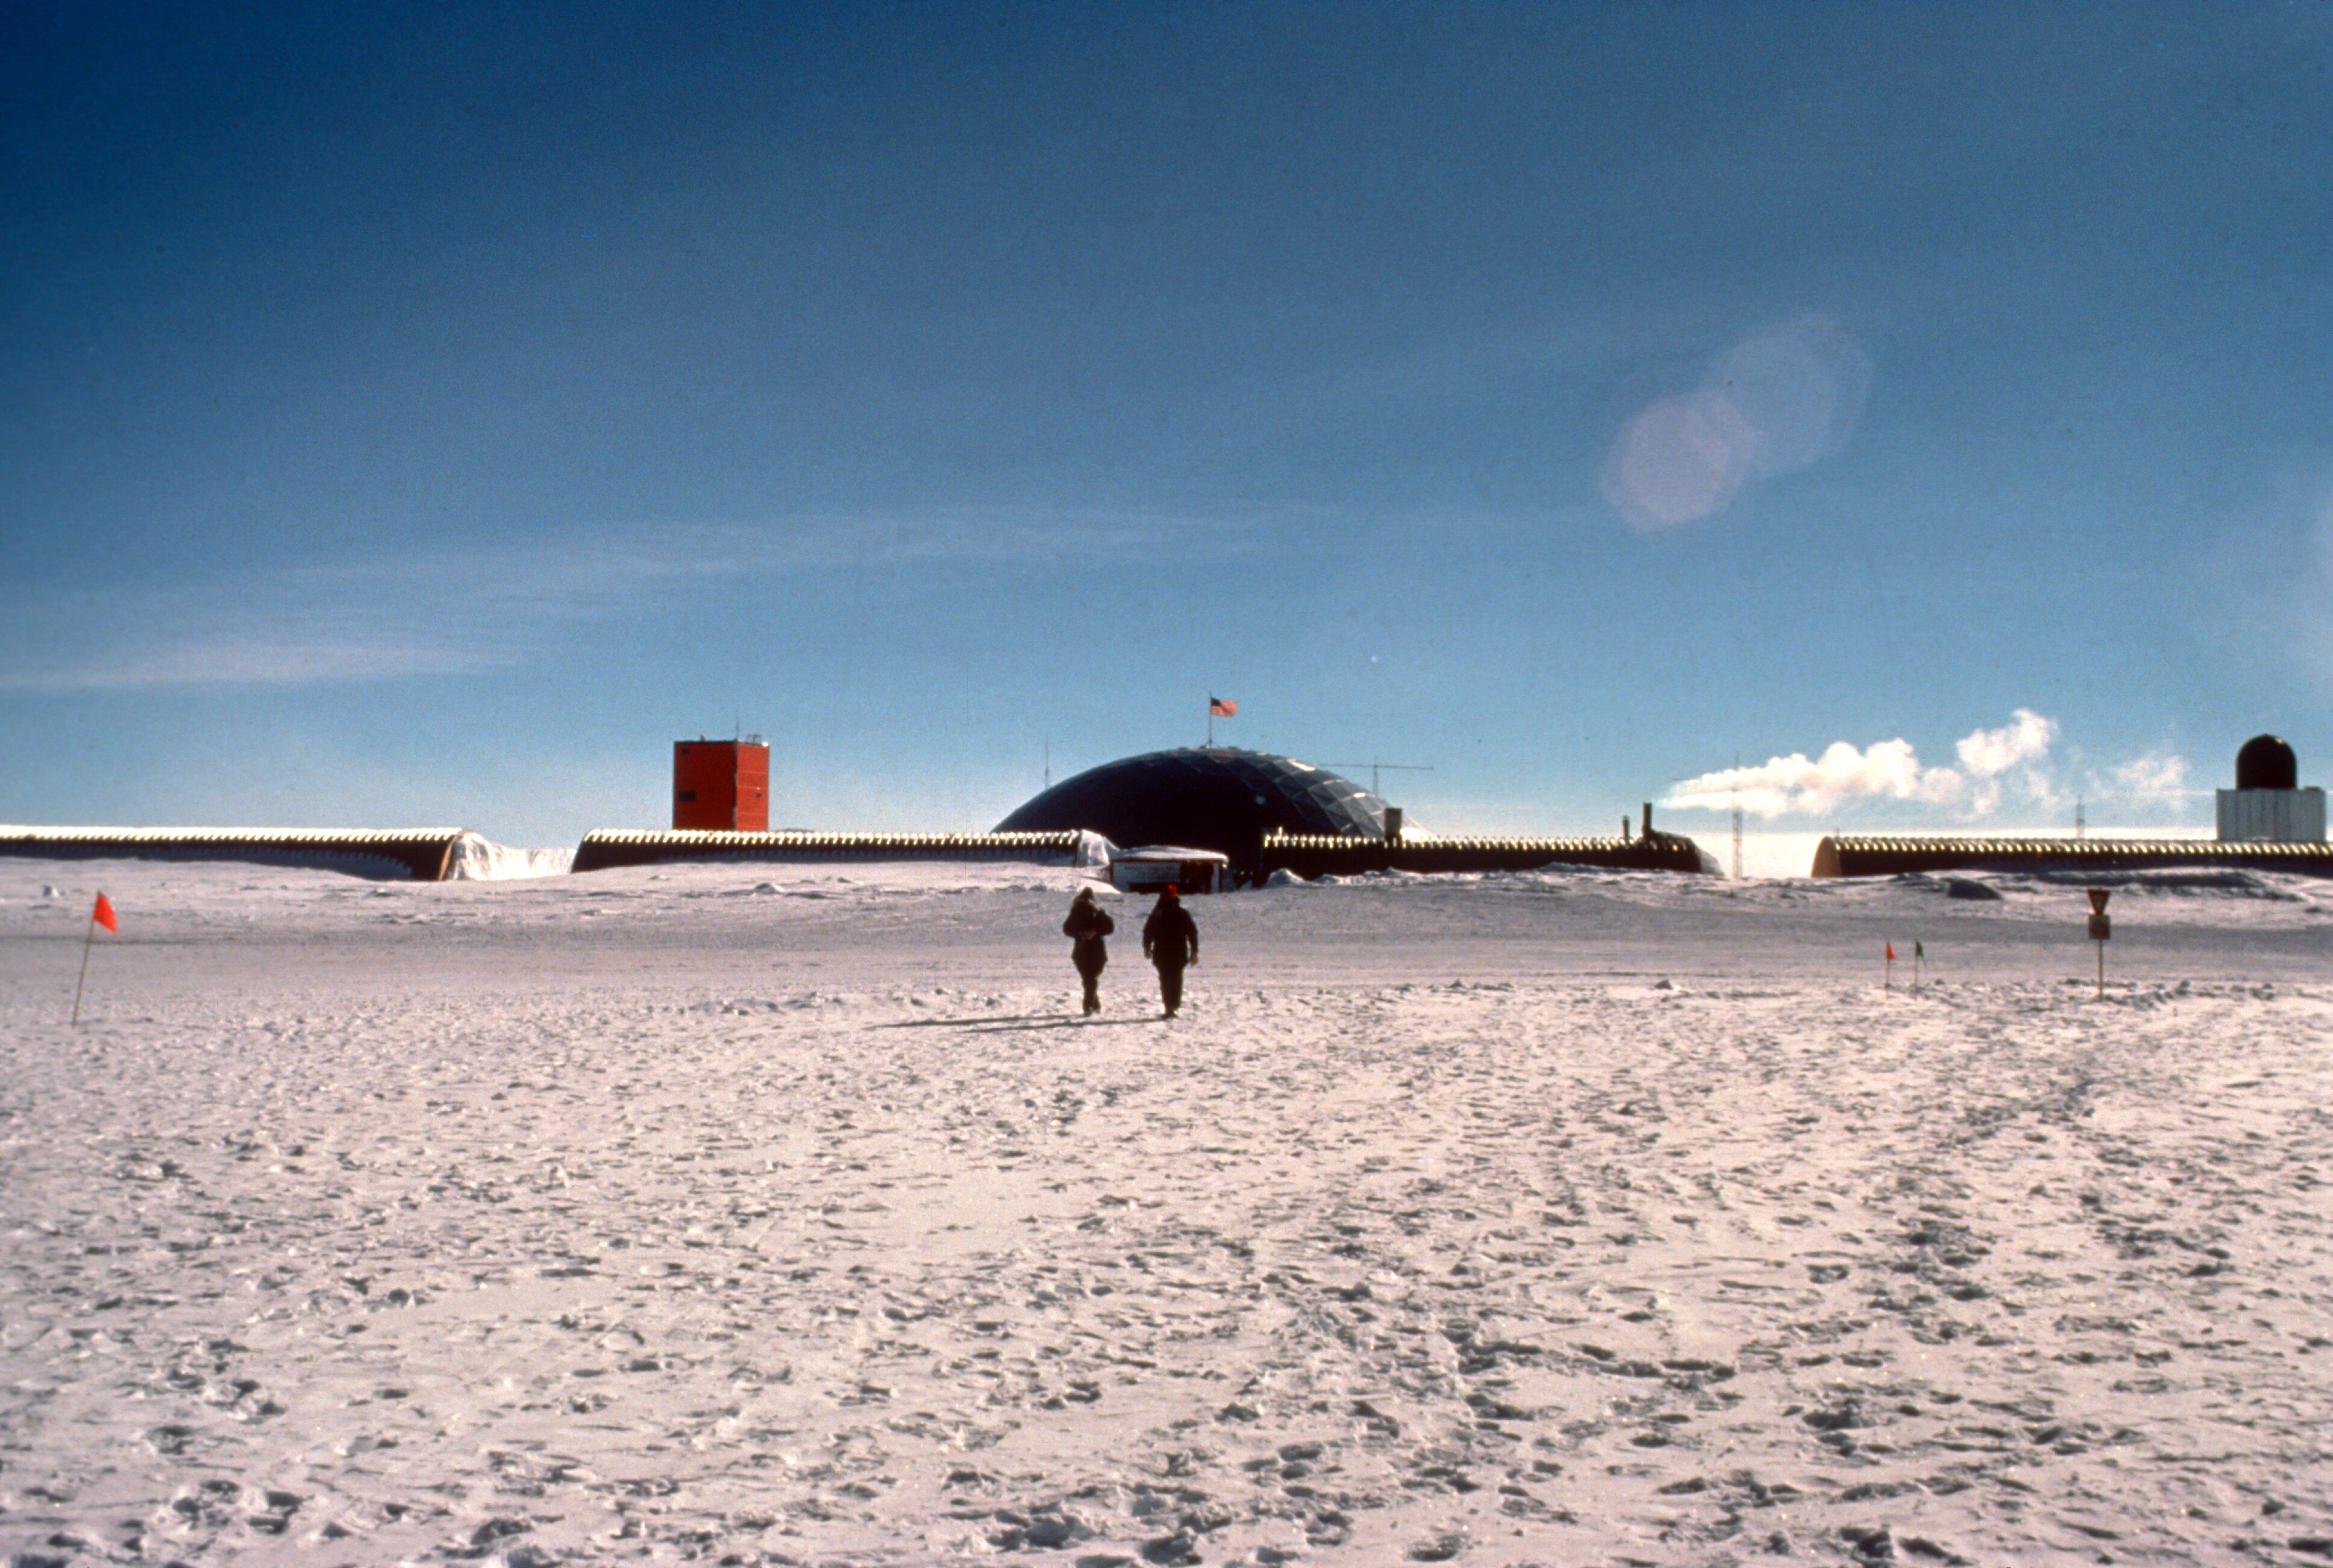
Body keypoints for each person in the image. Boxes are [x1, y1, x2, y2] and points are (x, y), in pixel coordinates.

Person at [1141, 885, 1200, 1018]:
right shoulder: (1162, 914)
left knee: (1170, 981)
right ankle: (1171, 1007)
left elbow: (1192, 933)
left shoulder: (1161, 914)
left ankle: (1172, 1007)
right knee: (1171, 981)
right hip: (1170, 953)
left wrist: (1195, 950)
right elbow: (1149, 930)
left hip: (1170, 953)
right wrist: (1146, 946)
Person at [1062, 885, 1115, 1016]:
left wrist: (1095, 930)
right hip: (1083, 952)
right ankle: (1090, 1006)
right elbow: (1067, 929)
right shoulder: (1077, 913)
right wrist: (1080, 933)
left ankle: (1092, 1006)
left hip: (1095, 952)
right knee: (1089, 979)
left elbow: (1110, 927)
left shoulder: (1098, 913)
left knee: (1090, 979)